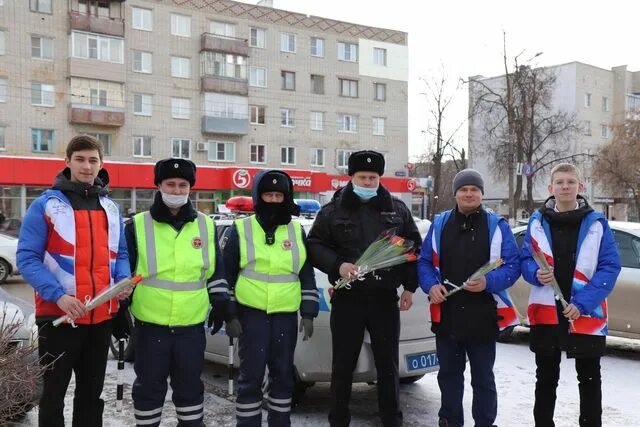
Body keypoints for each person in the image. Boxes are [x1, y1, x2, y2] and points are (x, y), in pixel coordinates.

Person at [17, 135, 130, 426]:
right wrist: (59, 296)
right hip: (59, 318)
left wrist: (122, 283)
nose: (87, 166)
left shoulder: (111, 208)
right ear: (67, 162)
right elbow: (27, 258)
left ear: (101, 164)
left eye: (93, 160)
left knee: (92, 395)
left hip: (100, 317)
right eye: (80, 159)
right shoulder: (46, 205)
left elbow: (121, 254)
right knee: (53, 396)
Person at [307, 150, 421, 427]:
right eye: (363, 177)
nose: (368, 182)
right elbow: (314, 246)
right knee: (343, 366)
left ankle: (391, 420)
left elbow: (413, 248)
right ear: (352, 177)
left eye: (373, 177)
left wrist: (409, 287)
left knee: (388, 366)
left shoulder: (397, 209)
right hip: (349, 299)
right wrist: (338, 265)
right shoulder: (333, 210)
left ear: (379, 178)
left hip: (384, 299)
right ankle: (339, 420)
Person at [126, 158, 229, 427]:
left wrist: (220, 302)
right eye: (170, 184)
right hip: (150, 327)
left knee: (190, 389)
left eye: (182, 185)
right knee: (149, 390)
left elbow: (215, 271)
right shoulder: (136, 225)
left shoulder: (206, 225)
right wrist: (119, 311)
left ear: (190, 188)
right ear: (158, 185)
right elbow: (124, 277)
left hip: (190, 327)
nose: (176, 190)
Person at [417, 168, 520, 427]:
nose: (469, 193)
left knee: (483, 378)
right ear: (456, 194)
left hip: (483, 314)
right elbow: (425, 262)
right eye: (464, 189)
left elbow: (512, 266)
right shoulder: (440, 224)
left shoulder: (496, 226)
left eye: (474, 189)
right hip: (448, 314)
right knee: (449, 376)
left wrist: (488, 282)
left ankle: (485, 423)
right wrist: (430, 286)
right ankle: (450, 420)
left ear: (482, 194)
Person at [520, 163, 621, 427]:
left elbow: (610, 266)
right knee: (545, 377)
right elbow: (525, 260)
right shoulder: (537, 221)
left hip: (585, 312)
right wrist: (534, 273)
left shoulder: (597, 223)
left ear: (580, 187)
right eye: (560, 182)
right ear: (550, 188)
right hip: (546, 310)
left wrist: (583, 302)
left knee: (589, 379)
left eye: (571, 182)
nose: (565, 187)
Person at [223, 169, 319, 427]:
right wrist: (229, 313)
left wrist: (309, 311)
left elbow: (306, 273)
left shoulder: (296, 231)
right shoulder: (241, 228)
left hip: (285, 316)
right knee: (250, 378)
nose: (274, 200)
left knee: (283, 376)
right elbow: (227, 274)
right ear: (258, 196)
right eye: (268, 194)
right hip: (251, 316)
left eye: (279, 195)